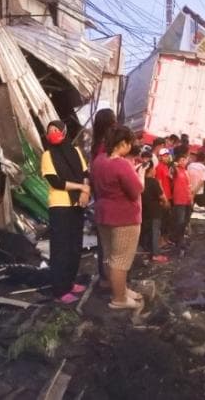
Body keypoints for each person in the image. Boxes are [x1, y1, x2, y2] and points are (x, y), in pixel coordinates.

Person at [91, 126, 145, 309]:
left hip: (103, 214)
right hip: (124, 218)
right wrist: (141, 175)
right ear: (123, 143)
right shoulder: (121, 164)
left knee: (109, 256)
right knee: (120, 260)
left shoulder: (98, 160)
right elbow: (136, 190)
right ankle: (119, 299)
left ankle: (121, 290)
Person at [41, 120, 90, 304]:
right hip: (60, 205)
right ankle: (59, 290)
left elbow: (85, 173)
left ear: (64, 131)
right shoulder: (48, 155)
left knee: (74, 245)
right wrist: (82, 189)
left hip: (77, 203)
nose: (52, 133)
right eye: (49, 131)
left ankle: (70, 282)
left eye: (56, 129)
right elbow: (56, 182)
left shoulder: (75, 151)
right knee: (61, 247)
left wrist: (86, 191)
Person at [90, 108, 117, 285]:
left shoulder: (95, 146)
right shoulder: (106, 149)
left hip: (99, 198)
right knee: (112, 242)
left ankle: (104, 275)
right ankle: (110, 278)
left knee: (104, 241)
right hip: (110, 199)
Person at [140, 160, 169, 263]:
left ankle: (147, 252)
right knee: (155, 232)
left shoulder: (140, 181)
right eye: (154, 169)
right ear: (151, 170)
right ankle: (156, 254)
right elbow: (162, 197)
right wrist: (166, 204)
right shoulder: (153, 182)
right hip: (155, 211)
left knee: (147, 232)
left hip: (144, 211)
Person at [171, 151, 193, 245]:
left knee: (185, 221)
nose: (184, 161)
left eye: (185, 160)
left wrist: (191, 198)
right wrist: (174, 164)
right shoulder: (176, 170)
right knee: (179, 221)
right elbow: (171, 167)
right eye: (182, 160)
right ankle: (178, 239)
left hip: (187, 200)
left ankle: (181, 237)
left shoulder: (186, 171)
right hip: (179, 200)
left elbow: (189, 186)